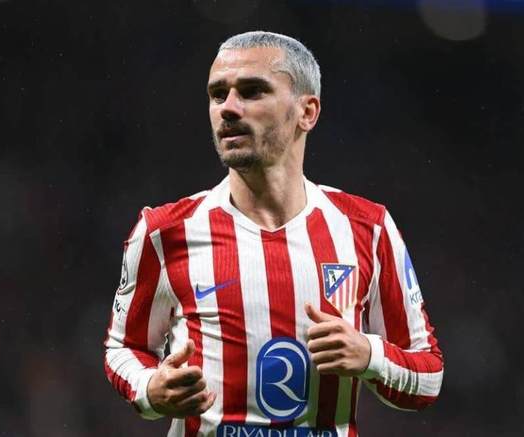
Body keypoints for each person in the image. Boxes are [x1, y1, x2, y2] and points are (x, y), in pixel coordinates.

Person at [104, 31, 443, 437]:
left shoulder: (367, 228)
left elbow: (428, 377)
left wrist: (369, 356)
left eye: (252, 91)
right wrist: (150, 389)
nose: (228, 108)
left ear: (307, 112)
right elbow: (122, 347)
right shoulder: (165, 232)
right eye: (217, 94)